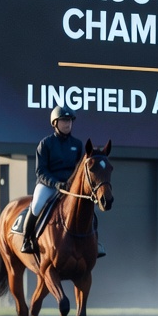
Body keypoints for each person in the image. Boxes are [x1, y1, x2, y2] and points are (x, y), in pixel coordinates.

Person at [23, 105, 103, 256]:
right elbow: (41, 171)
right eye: (64, 120)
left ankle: (95, 243)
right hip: (49, 185)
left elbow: (80, 170)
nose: (68, 124)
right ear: (55, 123)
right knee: (36, 206)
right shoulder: (45, 144)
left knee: (90, 210)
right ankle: (28, 239)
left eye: (70, 121)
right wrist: (55, 183)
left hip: (70, 186)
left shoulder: (77, 144)